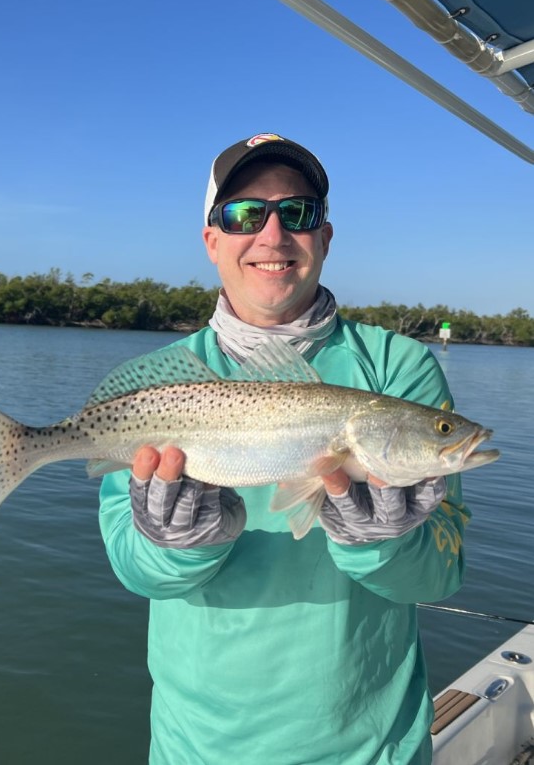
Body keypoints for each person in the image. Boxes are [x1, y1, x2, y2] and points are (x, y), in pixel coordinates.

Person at [98, 133, 468, 764]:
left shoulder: (398, 368)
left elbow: (439, 572)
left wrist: (384, 540)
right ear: (212, 240)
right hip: (200, 747)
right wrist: (176, 543)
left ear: (324, 237)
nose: (273, 235)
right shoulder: (159, 382)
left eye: (298, 213)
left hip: (374, 747)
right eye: (244, 214)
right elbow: (137, 573)